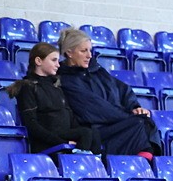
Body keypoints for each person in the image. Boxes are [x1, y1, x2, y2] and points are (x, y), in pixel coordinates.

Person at [56, 27, 161, 158]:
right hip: (97, 129)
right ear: (69, 52)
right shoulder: (66, 80)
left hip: (118, 122)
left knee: (145, 120)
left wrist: (134, 107)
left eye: (90, 50)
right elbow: (95, 109)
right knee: (139, 123)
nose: (89, 55)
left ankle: (147, 163)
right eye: (83, 51)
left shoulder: (97, 70)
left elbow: (123, 89)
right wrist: (128, 116)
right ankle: (141, 163)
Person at [6, 42, 101, 156]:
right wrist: (62, 142)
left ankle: (95, 167)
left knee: (93, 133)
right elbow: (32, 126)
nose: (58, 65)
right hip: (46, 142)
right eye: (54, 60)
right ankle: (81, 165)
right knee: (85, 133)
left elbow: (70, 117)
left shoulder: (56, 86)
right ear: (38, 61)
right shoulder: (28, 87)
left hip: (62, 137)